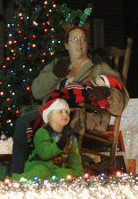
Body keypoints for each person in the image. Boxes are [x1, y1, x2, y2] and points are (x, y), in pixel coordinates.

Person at [10, 26, 128, 174]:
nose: (80, 43)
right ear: (66, 45)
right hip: (53, 114)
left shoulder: (99, 68)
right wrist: (54, 75)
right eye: (75, 40)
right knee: (23, 123)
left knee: (46, 126)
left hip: (83, 116)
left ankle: (46, 173)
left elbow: (121, 98)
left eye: (83, 39)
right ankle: (20, 176)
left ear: (87, 44)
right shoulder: (59, 64)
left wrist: (105, 92)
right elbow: (37, 92)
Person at [11, 98, 82, 181]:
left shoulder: (71, 138)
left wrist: (80, 176)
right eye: (60, 111)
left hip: (57, 169)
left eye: (67, 112)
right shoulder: (42, 132)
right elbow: (44, 154)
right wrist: (59, 145)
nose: (65, 115)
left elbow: (74, 159)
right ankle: (16, 180)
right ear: (50, 116)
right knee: (41, 172)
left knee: (67, 174)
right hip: (40, 164)